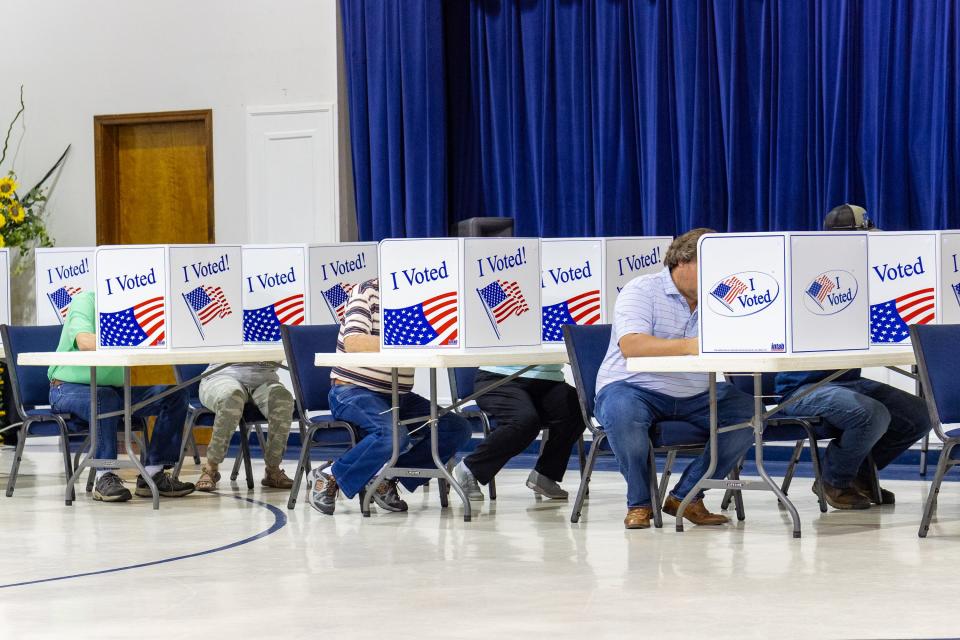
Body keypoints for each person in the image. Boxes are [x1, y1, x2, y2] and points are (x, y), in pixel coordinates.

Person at [593, 228, 756, 530]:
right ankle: (640, 504)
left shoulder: (723, 296)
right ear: (682, 261)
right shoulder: (641, 290)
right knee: (622, 410)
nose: (716, 275)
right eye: (709, 266)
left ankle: (687, 496)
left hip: (696, 392)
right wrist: (691, 346)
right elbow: (633, 345)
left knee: (750, 413)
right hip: (634, 387)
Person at [771, 203, 930, 510]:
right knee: (872, 414)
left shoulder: (859, 276)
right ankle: (834, 480)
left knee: (919, 415)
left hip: (846, 382)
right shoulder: (808, 276)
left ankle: (859, 473)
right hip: (802, 388)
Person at [308, 278, 473, 515]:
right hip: (353, 390)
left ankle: (383, 477)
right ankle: (329, 475)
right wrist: (407, 340)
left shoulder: (426, 295)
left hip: (398, 396)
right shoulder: (368, 290)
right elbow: (354, 341)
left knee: (456, 428)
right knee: (394, 435)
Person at [48, 291, 194, 502]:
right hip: (66, 388)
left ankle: (152, 473)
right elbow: (85, 342)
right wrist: (131, 339)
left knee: (174, 394)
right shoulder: (86, 300)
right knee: (105, 397)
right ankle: (103, 475)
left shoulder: (133, 303)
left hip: (113, 390)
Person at [453, 365, 586, 501]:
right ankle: (469, 468)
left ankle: (545, 474)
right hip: (499, 378)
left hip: (549, 382)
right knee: (524, 421)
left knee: (578, 408)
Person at [195, 363, 295, 491]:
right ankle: (210, 468)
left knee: (283, 399)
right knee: (231, 397)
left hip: (264, 380)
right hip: (221, 376)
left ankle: (273, 470)